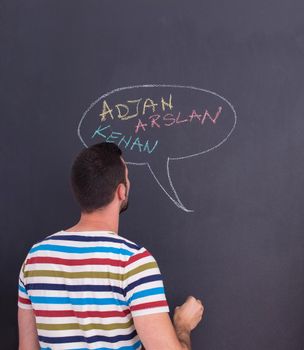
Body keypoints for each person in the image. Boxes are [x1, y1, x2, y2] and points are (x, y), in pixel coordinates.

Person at [17, 142, 204, 350]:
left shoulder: (35, 259)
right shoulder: (133, 262)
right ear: (121, 191)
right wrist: (182, 326)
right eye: (127, 176)